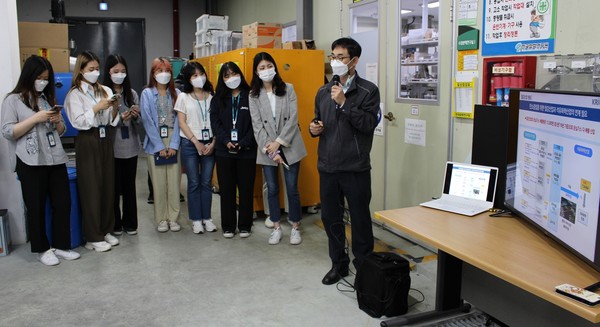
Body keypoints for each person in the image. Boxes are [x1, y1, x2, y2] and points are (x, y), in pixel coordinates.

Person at [309, 37, 380, 285]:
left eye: (341, 57)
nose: (335, 61)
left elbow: (369, 124)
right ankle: (339, 264)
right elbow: (318, 120)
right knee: (331, 218)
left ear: (354, 61)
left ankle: (364, 267)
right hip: (328, 166)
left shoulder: (368, 90)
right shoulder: (322, 91)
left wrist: (345, 103)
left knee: (360, 219)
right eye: (333, 57)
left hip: (355, 167)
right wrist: (313, 128)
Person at [1, 55, 81, 265]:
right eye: (40, 77)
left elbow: (62, 130)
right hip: (30, 161)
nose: (43, 82)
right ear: (29, 76)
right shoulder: (13, 100)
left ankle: (62, 245)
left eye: (46, 78)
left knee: (63, 203)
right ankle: (42, 248)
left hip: (55, 159)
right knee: (35, 206)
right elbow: (8, 131)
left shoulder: (46, 98)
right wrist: (36, 118)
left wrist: (56, 121)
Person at [64, 51, 120, 252]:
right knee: (91, 188)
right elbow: (77, 121)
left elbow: (112, 120)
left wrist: (114, 107)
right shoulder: (74, 94)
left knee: (107, 185)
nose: (95, 72)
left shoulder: (104, 89)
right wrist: (96, 108)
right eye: (91, 69)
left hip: (105, 138)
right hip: (88, 139)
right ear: (80, 70)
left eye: (97, 69)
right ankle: (92, 236)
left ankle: (105, 230)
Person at [249, 52, 306, 245]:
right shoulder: (254, 95)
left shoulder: (288, 89)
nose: (266, 71)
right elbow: (257, 125)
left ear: (275, 67)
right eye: (262, 68)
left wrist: (279, 143)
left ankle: (295, 225)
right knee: (272, 189)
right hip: (267, 149)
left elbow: (293, 119)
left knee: (292, 188)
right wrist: (271, 149)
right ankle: (276, 227)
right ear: (256, 72)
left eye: (269, 66)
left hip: (289, 145)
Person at [210, 61, 257, 239]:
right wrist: (226, 140)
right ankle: (228, 226)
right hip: (224, 151)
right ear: (222, 79)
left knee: (246, 189)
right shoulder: (218, 98)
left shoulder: (251, 96)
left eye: (234, 74)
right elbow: (215, 122)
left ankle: (245, 225)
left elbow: (256, 123)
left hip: (247, 151)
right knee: (227, 190)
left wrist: (244, 142)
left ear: (240, 75)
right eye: (226, 75)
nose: (231, 78)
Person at [174, 61, 217, 234]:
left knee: (206, 183)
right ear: (189, 79)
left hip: (210, 144)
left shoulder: (212, 96)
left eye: (201, 74)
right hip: (190, 144)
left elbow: (217, 122)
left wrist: (213, 142)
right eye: (194, 75)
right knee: (193, 182)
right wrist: (195, 141)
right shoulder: (183, 97)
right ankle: (196, 219)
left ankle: (207, 218)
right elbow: (181, 121)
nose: (199, 78)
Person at [140, 57, 182, 233]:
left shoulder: (177, 93)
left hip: (174, 139)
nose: (163, 74)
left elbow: (181, 120)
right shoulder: (147, 94)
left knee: (174, 183)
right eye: (159, 71)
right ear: (153, 73)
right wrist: (159, 146)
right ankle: (162, 219)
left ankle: (173, 218)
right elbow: (147, 120)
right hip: (154, 140)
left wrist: (173, 145)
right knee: (158, 184)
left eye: (167, 71)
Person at [103, 54, 142, 236]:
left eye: (123, 71)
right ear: (108, 72)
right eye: (116, 71)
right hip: (112, 146)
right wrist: (118, 117)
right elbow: (102, 121)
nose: (120, 75)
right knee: (113, 187)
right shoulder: (104, 94)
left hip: (131, 146)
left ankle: (130, 223)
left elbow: (139, 121)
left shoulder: (131, 93)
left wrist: (135, 115)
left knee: (129, 187)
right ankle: (115, 224)